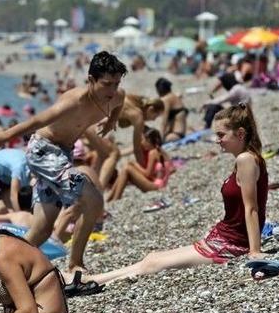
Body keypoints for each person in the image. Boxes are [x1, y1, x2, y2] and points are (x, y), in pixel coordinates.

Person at [82, 104, 267, 286]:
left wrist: (254, 251)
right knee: (152, 258)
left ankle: (92, 282)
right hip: (222, 237)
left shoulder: (246, 160)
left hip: (231, 244)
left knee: (152, 264)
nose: (216, 140)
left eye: (221, 135)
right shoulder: (245, 160)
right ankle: (92, 280)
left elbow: (251, 209)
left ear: (240, 134)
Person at [0, 51, 125, 275]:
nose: (112, 90)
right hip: (43, 151)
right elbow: (38, 120)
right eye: (106, 84)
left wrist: (112, 120)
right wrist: (4, 136)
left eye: (116, 83)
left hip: (63, 154)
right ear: (91, 80)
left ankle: (0, 270)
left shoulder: (116, 96)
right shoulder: (73, 101)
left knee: (42, 229)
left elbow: (119, 103)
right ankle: (75, 263)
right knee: (93, 200)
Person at [107, 128, 171, 202]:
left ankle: (114, 198)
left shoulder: (152, 153)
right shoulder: (162, 152)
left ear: (149, 141)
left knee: (127, 168)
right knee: (127, 168)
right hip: (160, 184)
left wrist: (135, 165)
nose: (142, 143)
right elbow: (170, 169)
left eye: (143, 140)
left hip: (156, 186)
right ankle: (112, 197)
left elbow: (147, 174)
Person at [117, 94, 165, 170]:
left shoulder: (134, 102)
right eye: (155, 116)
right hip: (98, 119)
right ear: (150, 109)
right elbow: (137, 149)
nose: (154, 120)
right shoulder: (138, 115)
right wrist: (145, 170)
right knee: (110, 155)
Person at [155, 77, 188, 142]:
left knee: (150, 142)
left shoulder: (166, 99)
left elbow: (164, 122)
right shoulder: (174, 96)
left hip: (175, 134)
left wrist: (160, 139)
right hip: (180, 133)